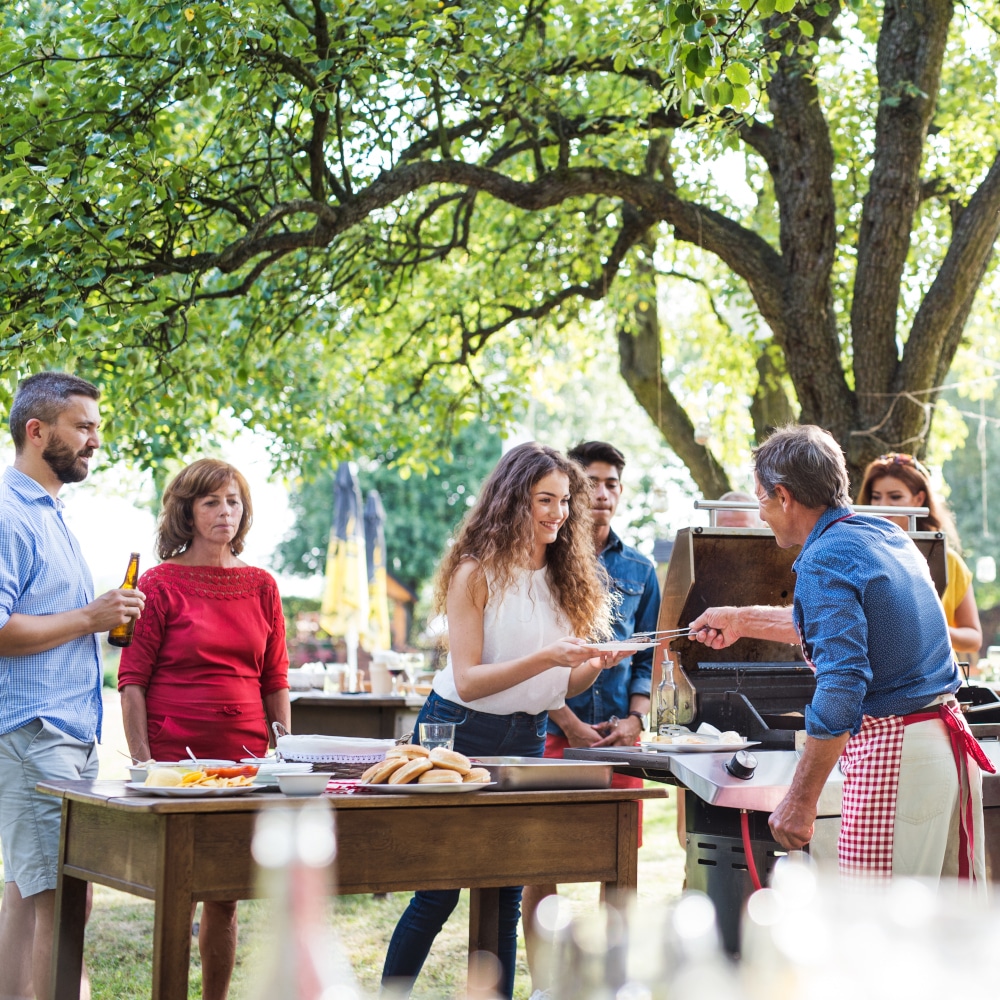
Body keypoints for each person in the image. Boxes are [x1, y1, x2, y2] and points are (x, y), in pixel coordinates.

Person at [690, 424, 992, 882]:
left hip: (897, 759)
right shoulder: (880, 535)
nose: (762, 513)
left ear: (785, 496)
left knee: (875, 935)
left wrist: (800, 799)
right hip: (942, 754)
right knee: (935, 938)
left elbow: (843, 680)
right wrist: (740, 618)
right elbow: (840, 628)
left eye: (762, 499)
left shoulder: (825, 557)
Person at [381, 442, 619, 1000]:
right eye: (544, 500)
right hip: (457, 733)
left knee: (507, 890)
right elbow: (468, 679)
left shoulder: (569, 574)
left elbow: (561, 685)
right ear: (513, 500)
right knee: (438, 892)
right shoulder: (475, 572)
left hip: (525, 736)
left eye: (564, 501)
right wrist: (551, 657)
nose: (557, 513)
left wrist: (592, 665)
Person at [118, 458, 290, 1000]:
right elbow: (132, 681)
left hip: (243, 759)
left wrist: (283, 755)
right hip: (174, 758)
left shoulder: (262, 585)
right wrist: (144, 761)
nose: (225, 512)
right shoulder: (159, 583)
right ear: (187, 511)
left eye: (233, 501)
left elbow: (275, 680)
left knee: (227, 892)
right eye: (211, 501)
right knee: (179, 890)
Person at [0, 371, 145, 1000]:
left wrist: (100, 621)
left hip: (63, 734)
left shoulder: (50, 512)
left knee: (29, 896)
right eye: (82, 427)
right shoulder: (10, 514)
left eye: (97, 429)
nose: (94, 441)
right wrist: (90, 616)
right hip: (35, 735)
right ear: (37, 431)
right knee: (57, 906)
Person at [521, 441, 660, 997]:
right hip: (550, 735)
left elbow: (647, 653)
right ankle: (544, 986)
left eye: (612, 484)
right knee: (540, 862)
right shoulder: (544, 557)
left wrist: (636, 718)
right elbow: (529, 650)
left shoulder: (641, 569)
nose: (602, 493)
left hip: (617, 744)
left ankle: (612, 982)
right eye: (592, 482)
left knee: (618, 865)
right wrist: (569, 722)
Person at [857, 451, 983, 657]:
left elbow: (973, 639)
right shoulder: (857, 557)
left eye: (895, 497)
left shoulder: (948, 561)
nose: (883, 506)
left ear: (919, 499)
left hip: (938, 682)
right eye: (876, 497)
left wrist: (930, 626)